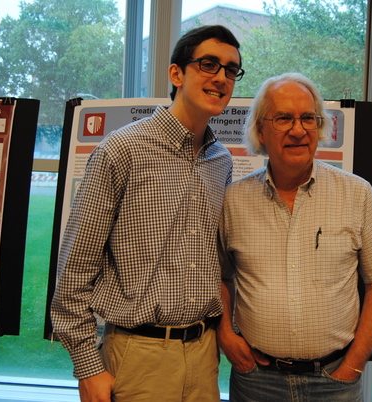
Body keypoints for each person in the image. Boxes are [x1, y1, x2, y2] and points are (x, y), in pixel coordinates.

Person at [51, 25, 244, 402]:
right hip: (137, 357)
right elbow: (74, 268)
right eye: (208, 64)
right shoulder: (121, 150)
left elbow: (219, 263)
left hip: (204, 356)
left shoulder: (220, 161)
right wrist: (88, 367)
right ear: (176, 74)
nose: (221, 77)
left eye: (231, 69)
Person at [216, 73, 372, 401]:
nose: (298, 130)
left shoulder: (356, 194)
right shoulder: (234, 199)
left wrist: (353, 365)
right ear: (260, 130)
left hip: (335, 382)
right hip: (256, 382)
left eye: (308, 118)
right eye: (283, 118)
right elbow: (221, 276)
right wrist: (225, 335)